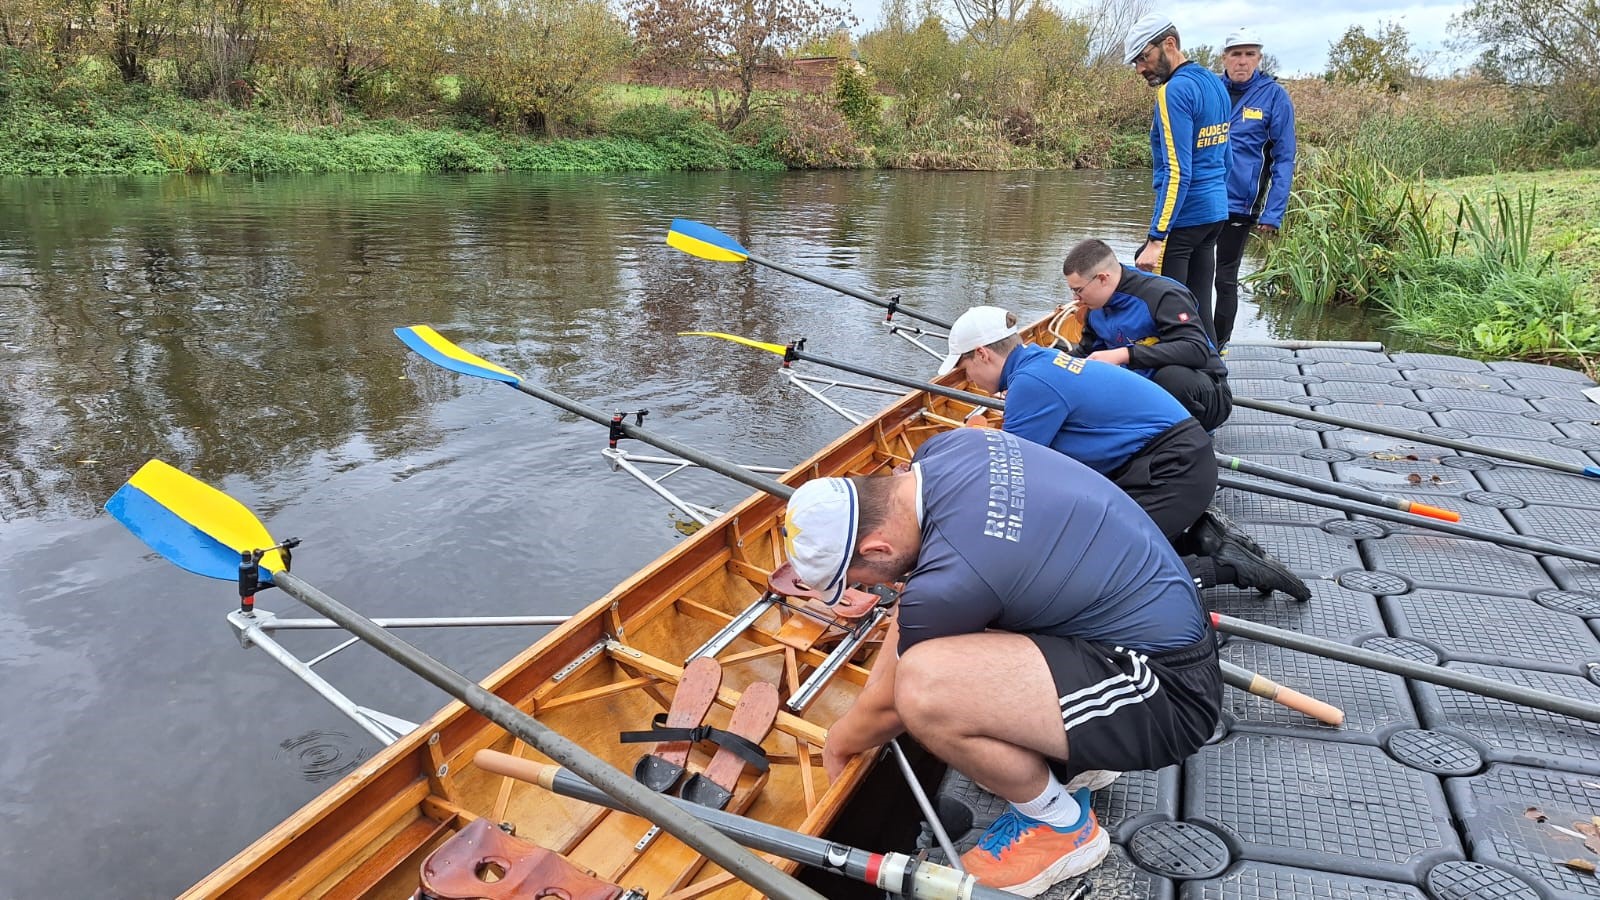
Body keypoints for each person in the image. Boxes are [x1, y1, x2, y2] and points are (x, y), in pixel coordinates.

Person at [787, 428, 1223, 896]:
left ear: (877, 549)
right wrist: (873, 693)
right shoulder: (951, 448)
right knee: (953, 641)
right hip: (1145, 630)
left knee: (924, 689)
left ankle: (1061, 827)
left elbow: (894, 700)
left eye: (860, 579)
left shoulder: (951, 580)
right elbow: (915, 608)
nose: (871, 589)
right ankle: (1079, 756)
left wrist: (838, 743)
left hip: (1166, 694)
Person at [939, 305, 1307, 601]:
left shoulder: (1031, 383)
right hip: (1175, 461)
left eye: (965, 368)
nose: (968, 379)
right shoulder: (1041, 362)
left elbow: (1013, 479)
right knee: (1082, 533)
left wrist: (974, 443)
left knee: (1098, 574)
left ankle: (1229, 567)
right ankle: (1199, 537)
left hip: (1174, 472)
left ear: (983, 354)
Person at [1125, 11, 1231, 344]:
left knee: (1169, 314)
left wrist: (1156, 238)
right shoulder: (1215, 83)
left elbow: (1177, 170)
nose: (1140, 68)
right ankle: (1215, 371)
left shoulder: (1173, 91)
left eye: (1144, 57)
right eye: (1136, 62)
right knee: (1198, 306)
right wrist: (1219, 202)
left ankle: (1177, 374)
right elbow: (1225, 156)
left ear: (1169, 44)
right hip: (1214, 214)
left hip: (1185, 220)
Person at [1062, 238, 1233, 432]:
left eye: (1078, 290)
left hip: (1204, 389)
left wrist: (1124, 354)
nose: (1075, 299)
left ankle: (1189, 434)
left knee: (1172, 378)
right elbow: (1086, 353)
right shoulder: (1094, 306)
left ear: (1102, 278)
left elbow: (1196, 350)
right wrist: (1051, 362)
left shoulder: (1164, 295)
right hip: (1143, 389)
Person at [1214, 27, 1297, 350]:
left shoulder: (1274, 96)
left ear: (1259, 58)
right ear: (1224, 58)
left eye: (1250, 54)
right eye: (1236, 54)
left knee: (1225, 278)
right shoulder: (1211, 90)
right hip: (1202, 200)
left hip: (1240, 204)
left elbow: (1284, 159)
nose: (1242, 61)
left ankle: (1218, 346)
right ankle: (1189, 342)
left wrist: (1273, 212)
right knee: (1191, 276)